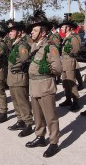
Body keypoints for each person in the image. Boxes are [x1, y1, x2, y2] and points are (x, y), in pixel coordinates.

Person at [25, 10, 62, 158]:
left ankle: (54, 142)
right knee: (38, 116)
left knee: (50, 116)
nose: (31, 32)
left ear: (42, 32)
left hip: (45, 85)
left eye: (34, 30)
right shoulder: (35, 46)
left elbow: (58, 69)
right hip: (34, 85)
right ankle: (40, 137)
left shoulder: (50, 46)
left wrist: (45, 70)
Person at [6, 22, 34, 137]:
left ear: (18, 32)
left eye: (12, 31)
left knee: (23, 102)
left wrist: (17, 68)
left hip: (19, 77)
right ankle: (20, 120)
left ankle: (28, 124)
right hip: (13, 78)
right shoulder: (15, 44)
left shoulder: (21, 45)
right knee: (16, 102)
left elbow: (26, 61)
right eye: (9, 31)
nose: (10, 33)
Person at [58, 19, 82, 111]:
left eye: (63, 27)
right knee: (65, 82)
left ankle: (76, 101)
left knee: (71, 82)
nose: (61, 28)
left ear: (68, 27)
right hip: (64, 61)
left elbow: (76, 50)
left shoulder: (73, 38)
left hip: (70, 61)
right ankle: (68, 99)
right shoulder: (66, 38)